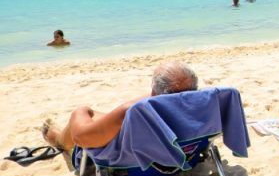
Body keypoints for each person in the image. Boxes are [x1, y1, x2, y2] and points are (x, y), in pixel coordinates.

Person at [41, 62, 198, 152]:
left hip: (134, 156)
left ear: (154, 91)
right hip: (180, 150)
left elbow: (81, 138)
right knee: (103, 116)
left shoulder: (132, 114)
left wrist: (81, 111)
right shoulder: (201, 108)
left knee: (82, 114)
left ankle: (59, 140)